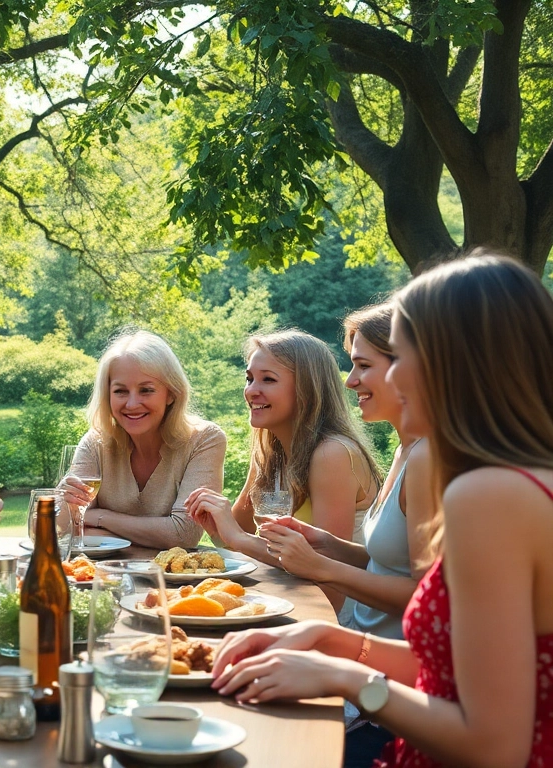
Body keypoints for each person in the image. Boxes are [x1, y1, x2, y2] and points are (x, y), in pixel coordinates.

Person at [208, 253, 553, 767]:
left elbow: (494, 746)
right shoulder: (518, 481)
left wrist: (343, 676)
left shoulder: (486, 496)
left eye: (399, 354)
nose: (356, 381)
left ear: (450, 361)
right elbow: (459, 671)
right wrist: (327, 638)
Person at [256, 304, 436, 766]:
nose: (350, 381)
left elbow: (425, 599)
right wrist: (328, 546)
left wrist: (322, 566)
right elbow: (386, 560)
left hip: (391, 696)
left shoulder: (428, 461)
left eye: (362, 366)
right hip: (368, 665)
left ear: (411, 366)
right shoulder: (405, 449)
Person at [185, 329, 381, 609]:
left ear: (307, 389)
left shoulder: (332, 453)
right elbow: (236, 543)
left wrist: (238, 537)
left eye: (268, 379)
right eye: (249, 378)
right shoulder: (269, 453)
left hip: (340, 618)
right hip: (284, 601)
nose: (251, 390)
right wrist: (217, 526)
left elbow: (329, 583)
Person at [59, 330, 225, 549]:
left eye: (146, 390)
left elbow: (183, 534)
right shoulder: (95, 443)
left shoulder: (205, 440)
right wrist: (62, 502)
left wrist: (100, 518)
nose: (132, 404)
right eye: (120, 391)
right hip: (104, 578)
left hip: (173, 581)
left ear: (172, 393)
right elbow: (61, 531)